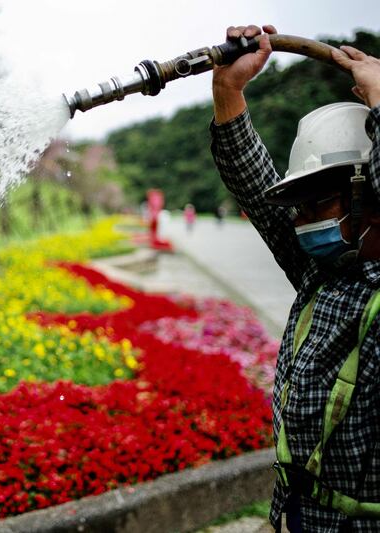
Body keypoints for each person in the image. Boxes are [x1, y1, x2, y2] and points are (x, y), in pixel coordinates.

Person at [209, 24, 380, 532]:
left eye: (319, 202)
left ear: (369, 195)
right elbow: (257, 185)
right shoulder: (322, 272)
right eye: (299, 205)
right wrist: (228, 92)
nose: (302, 220)